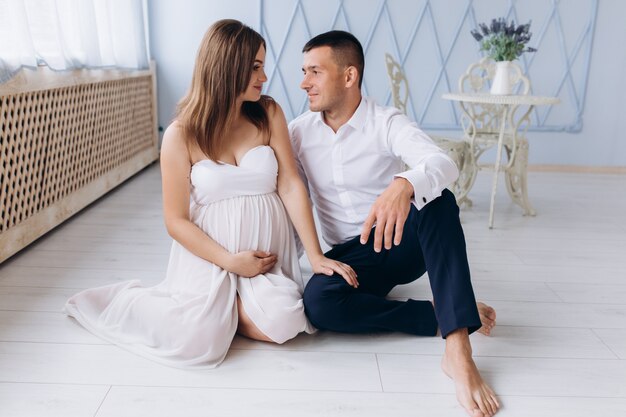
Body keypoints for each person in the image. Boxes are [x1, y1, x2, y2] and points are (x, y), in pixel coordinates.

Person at [64, 20, 356, 369]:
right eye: (255, 67)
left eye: (263, 66)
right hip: (209, 256)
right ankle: (201, 311)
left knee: (287, 324)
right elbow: (175, 221)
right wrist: (229, 261)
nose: (264, 77)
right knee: (196, 341)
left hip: (266, 259)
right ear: (227, 66)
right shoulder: (180, 134)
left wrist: (316, 255)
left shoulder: (268, 112)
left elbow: (290, 184)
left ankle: (227, 313)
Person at [288, 30, 500, 417]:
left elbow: (442, 164)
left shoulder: (385, 122)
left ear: (349, 76)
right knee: (317, 302)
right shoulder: (298, 133)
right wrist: (305, 260)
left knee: (439, 200)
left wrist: (404, 183)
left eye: (315, 72)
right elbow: (291, 199)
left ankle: (458, 348)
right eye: (304, 72)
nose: (304, 83)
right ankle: (441, 314)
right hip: (350, 259)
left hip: (398, 242)